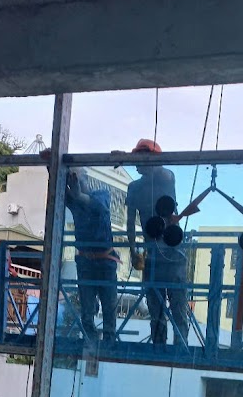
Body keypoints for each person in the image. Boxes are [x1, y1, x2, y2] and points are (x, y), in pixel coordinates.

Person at [126, 138, 189, 346]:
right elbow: (129, 222)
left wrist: (145, 159)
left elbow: (164, 171)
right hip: (154, 254)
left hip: (172, 251)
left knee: (178, 309)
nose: (137, 164)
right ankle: (160, 348)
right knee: (157, 311)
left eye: (141, 158)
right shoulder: (135, 187)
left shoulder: (165, 178)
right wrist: (134, 251)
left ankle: (180, 349)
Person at [66, 169, 119, 344]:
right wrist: (52, 169)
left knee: (109, 308)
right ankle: (92, 342)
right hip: (86, 261)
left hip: (105, 261)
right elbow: (57, 188)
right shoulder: (74, 201)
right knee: (87, 311)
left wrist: (79, 196)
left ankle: (109, 343)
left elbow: (100, 207)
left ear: (86, 179)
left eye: (78, 179)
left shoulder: (102, 194)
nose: (76, 183)